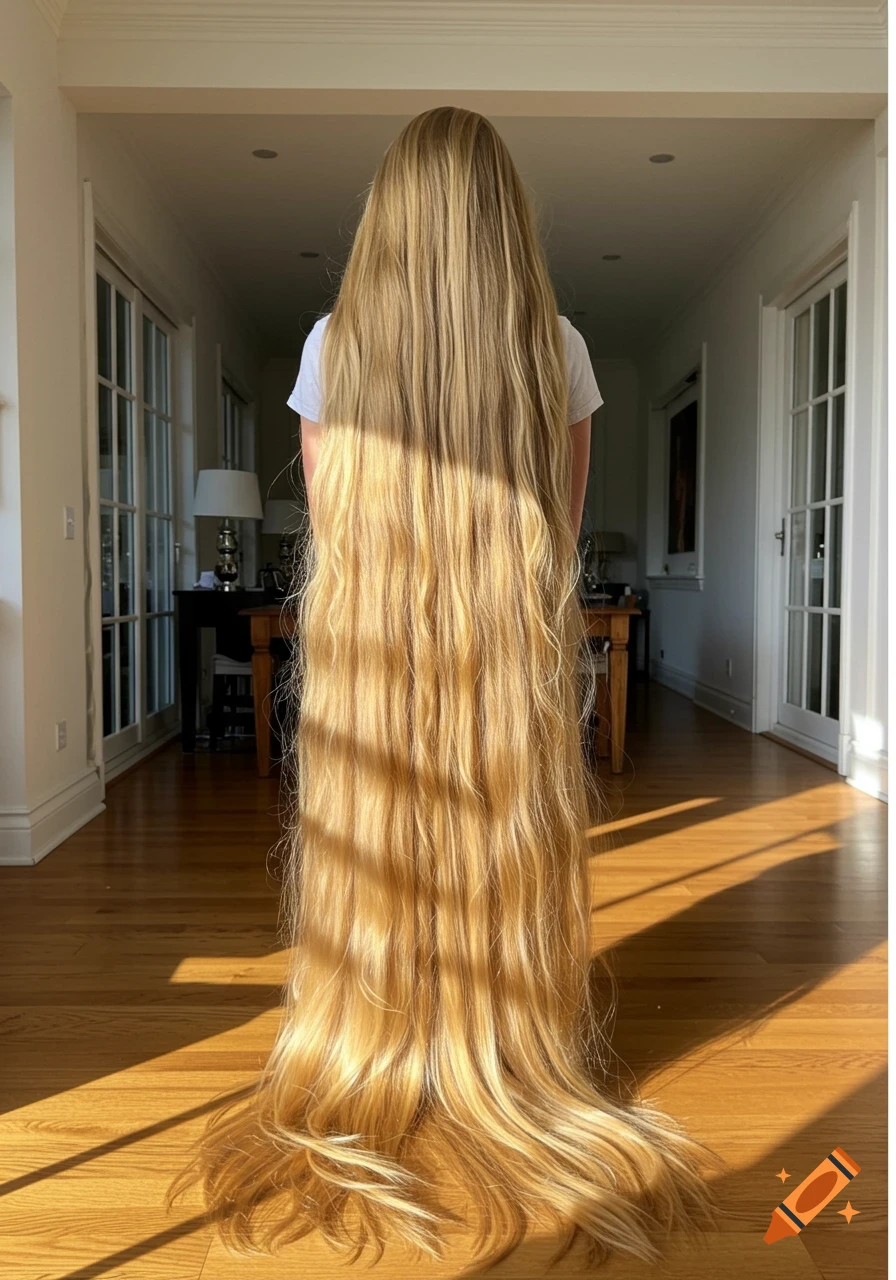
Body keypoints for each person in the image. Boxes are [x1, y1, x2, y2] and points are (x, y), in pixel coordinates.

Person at [174, 105, 715, 1269]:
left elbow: (339, 542)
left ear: (387, 223)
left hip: (376, 662)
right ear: (505, 224)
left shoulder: (332, 344)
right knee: (494, 842)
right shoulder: (557, 346)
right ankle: (506, 1046)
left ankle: (372, 1036)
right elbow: (552, 544)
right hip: (500, 658)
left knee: (379, 845)